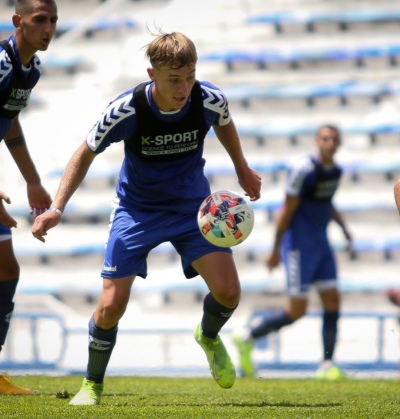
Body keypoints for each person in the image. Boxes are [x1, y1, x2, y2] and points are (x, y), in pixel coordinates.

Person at [31, 31, 262, 405]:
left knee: (229, 293)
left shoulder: (208, 98)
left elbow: (225, 122)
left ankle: (208, 335)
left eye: (189, 77)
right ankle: (92, 384)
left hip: (192, 209)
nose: (184, 87)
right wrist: (57, 207)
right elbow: (84, 153)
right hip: (137, 211)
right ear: (152, 74)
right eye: (174, 79)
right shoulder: (128, 109)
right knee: (110, 307)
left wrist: (243, 168)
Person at [233, 124, 352, 380]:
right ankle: (248, 337)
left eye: (334, 139)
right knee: (297, 310)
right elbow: (286, 210)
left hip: (321, 244)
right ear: (317, 141)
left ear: (339, 143)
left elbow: (326, 202)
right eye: (325, 138)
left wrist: (344, 228)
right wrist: (275, 250)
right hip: (299, 246)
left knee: (333, 301)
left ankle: (327, 363)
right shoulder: (303, 170)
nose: (330, 143)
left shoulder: (336, 172)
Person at [0, 0, 57, 395]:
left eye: (53, 20)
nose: (49, 27)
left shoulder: (29, 69)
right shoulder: (2, 64)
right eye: (40, 20)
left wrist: (32, 181)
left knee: (6, 269)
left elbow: (8, 120)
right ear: (18, 21)